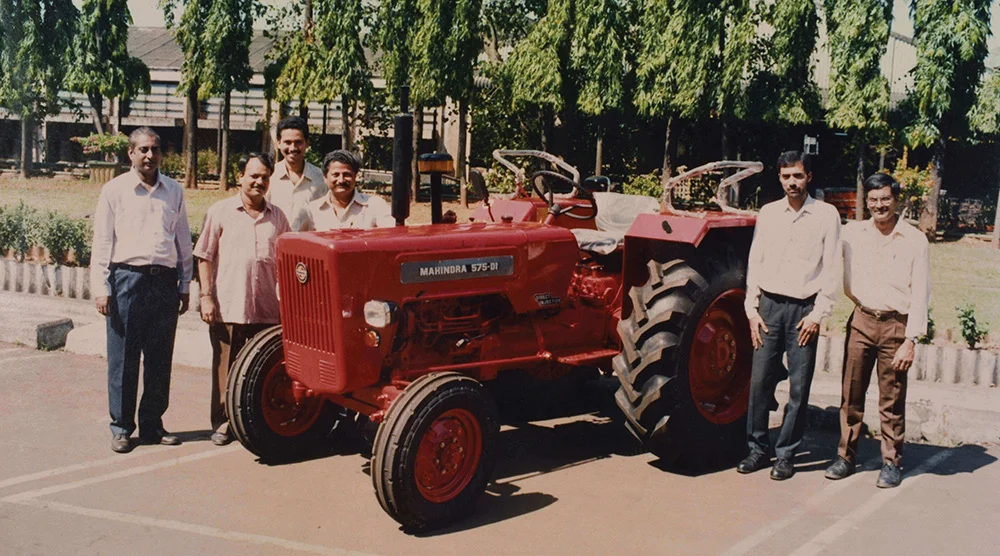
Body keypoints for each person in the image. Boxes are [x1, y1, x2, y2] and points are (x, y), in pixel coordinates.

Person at [737, 151, 841, 480]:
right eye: (785, 177)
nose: (791, 183)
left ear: (808, 176)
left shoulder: (826, 215)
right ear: (779, 178)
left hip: (803, 312)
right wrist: (751, 310)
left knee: (799, 387)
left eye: (797, 176)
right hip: (768, 307)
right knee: (759, 383)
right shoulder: (768, 214)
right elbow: (757, 261)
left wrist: (817, 314)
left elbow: (833, 268)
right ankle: (757, 448)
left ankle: (786, 455)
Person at [91, 127, 193, 454]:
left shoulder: (174, 191)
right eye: (144, 150)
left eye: (156, 149)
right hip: (126, 281)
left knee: (160, 357)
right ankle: (121, 427)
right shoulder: (114, 190)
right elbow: (102, 242)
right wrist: (101, 287)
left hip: (163, 282)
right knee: (124, 358)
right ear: (131, 154)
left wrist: (184, 284)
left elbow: (183, 241)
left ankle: (152, 425)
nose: (150, 156)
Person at [825, 173, 930, 488]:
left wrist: (910, 340)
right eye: (873, 200)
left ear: (896, 199)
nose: (879, 205)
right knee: (851, 394)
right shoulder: (853, 233)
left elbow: (922, 293)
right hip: (861, 320)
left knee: (891, 399)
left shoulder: (914, 240)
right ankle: (845, 457)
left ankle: (891, 462)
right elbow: (822, 240)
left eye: (885, 199)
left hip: (895, 326)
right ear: (865, 201)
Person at [194, 153, 290, 446]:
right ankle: (222, 422)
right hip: (229, 305)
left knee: (261, 368)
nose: (259, 182)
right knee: (226, 366)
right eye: (254, 176)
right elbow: (204, 256)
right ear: (240, 177)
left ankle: (254, 423)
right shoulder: (221, 211)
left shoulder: (278, 216)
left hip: (266, 310)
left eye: (264, 177)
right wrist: (206, 297)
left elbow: (286, 261)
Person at [303, 150, 394, 231]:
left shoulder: (375, 206)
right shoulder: (313, 210)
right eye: (336, 175)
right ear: (325, 178)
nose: (341, 180)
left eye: (347, 174)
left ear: (356, 176)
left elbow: (392, 236)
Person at [268, 116, 326, 231]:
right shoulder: (269, 175)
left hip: (308, 245)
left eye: (298, 142)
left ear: (307, 143)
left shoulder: (321, 178)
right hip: (275, 244)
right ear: (278, 143)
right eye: (287, 142)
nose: (293, 148)